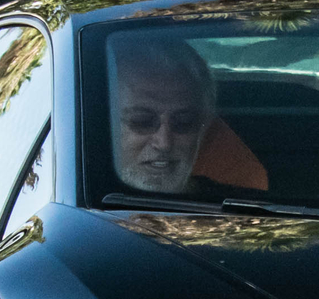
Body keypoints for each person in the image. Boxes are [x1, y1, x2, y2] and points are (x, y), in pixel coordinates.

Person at [108, 35, 266, 194]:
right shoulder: (84, 192)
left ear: (203, 129)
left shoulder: (232, 202)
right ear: (103, 123)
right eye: (142, 122)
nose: (164, 143)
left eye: (184, 123)